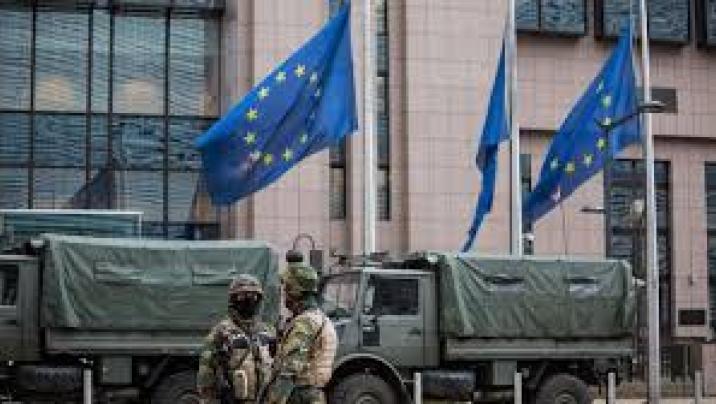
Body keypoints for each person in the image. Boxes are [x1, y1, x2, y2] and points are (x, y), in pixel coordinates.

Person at [262, 251, 337, 404]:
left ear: (294, 291)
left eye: (286, 289)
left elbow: (289, 371)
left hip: (300, 397)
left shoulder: (305, 323)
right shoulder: (321, 318)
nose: (284, 294)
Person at [196, 274, 275, 404]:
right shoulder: (220, 334)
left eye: (253, 296)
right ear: (233, 300)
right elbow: (206, 377)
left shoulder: (268, 332)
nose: (249, 300)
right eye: (242, 296)